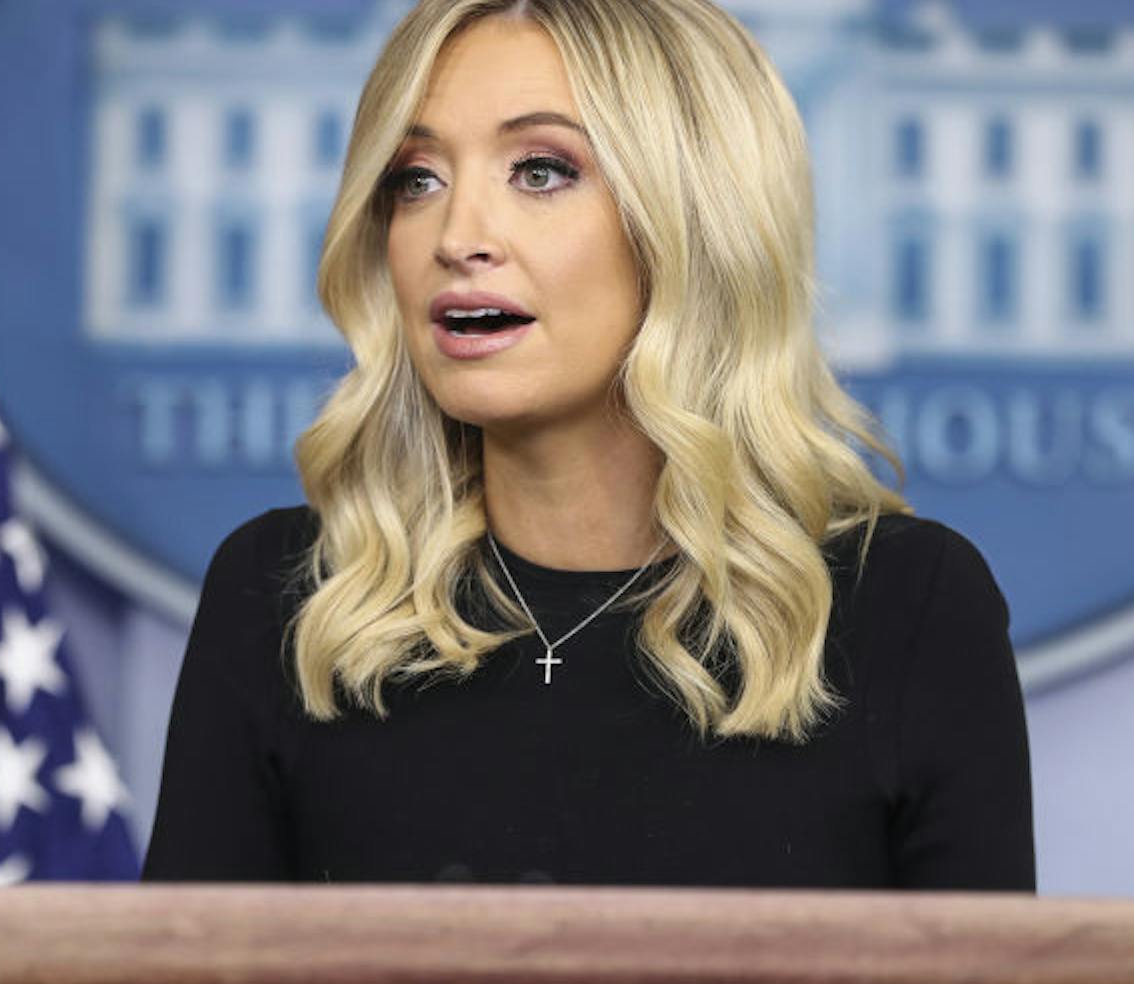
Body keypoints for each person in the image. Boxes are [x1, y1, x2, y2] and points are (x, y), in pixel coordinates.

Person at [142, 0, 1033, 889]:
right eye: (416, 179)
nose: (457, 239)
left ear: (694, 222)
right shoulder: (287, 598)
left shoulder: (909, 610)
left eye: (539, 170)